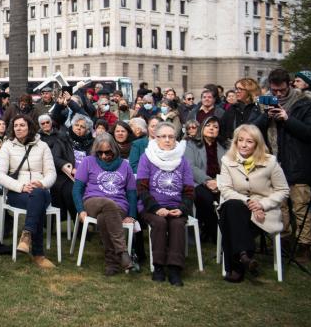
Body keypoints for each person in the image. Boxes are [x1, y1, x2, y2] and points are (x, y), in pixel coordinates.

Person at [256, 68, 311, 263]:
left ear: (289, 85)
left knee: (300, 206)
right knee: (279, 206)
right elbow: (253, 129)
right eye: (274, 91)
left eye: (281, 90)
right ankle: (284, 240)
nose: (278, 94)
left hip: (298, 161)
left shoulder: (304, 103)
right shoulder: (264, 102)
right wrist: (266, 116)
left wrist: (287, 119)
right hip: (274, 162)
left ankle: (305, 246)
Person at [218, 124, 290, 282]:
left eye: (249, 141)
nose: (243, 145)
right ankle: (244, 256)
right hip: (239, 206)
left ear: (257, 144)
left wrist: (263, 204)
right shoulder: (227, 160)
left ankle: (237, 265)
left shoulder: (270, 162)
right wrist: (249, 201)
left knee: (230, 217)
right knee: (232, 206)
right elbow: (226, 189)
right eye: (240, 140)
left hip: (264, 211)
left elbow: (283, 190)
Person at [0, 114, 57, 270]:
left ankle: (26, 235)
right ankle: (38, 254)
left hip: (40, 189)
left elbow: (51, 173)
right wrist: (21, 186)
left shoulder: (42, 146)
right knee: (38, 201)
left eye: (22, 125)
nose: (18, 128)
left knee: (38, 195)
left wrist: (41, 183)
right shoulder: (8, 146)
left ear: (30, 127)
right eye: (15, 126)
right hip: (17, 192)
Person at [137, 122, 194, 286]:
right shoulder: (146, 158)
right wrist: (156, 208)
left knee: (177, 224)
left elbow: (189, 190)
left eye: (171, 137)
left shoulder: (182, 161)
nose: (168, 140)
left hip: (176, 206)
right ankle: (159, 266)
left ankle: (175, 269)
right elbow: (141, 188)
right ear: (156, 138)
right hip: (151, 206)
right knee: (160, 223)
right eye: (163, 136)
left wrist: (182, 208)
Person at [72, 132, 137, 276]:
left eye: (107, 152)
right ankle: (122, 251)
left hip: (119, 205)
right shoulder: (88, 161)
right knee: (107, 203)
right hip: (92, 202)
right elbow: (77, 189)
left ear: (114, 149)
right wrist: (81, 210)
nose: (103, 156)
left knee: (104, 217)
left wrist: (132, 215)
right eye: (99, 152)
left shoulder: (125, 166)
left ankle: (112, 263)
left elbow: (132, 192)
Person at [183, 116, 228, 243]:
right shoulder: (191, 144)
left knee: (227, 201)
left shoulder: (224, 146)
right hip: (199, 182)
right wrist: (208, 181)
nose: (212, 129)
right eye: (208, 125)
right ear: (202, 127)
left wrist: (219, 182)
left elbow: (229, 167)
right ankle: (215, 233)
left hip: (221, 182)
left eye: (215, 127)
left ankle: (218, 232)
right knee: (206, 199)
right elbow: (190, 166)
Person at [38, 114, 76, 221]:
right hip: (46, 170)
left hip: (62, 170)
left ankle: (79, 226)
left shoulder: (61, 135)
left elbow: (66, 152)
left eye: (47, 122)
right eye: (43, 123)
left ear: (51, 122)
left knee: (70, 192)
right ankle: (52, 222)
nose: (45, 125)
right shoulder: (37, 138)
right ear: (40, 125)